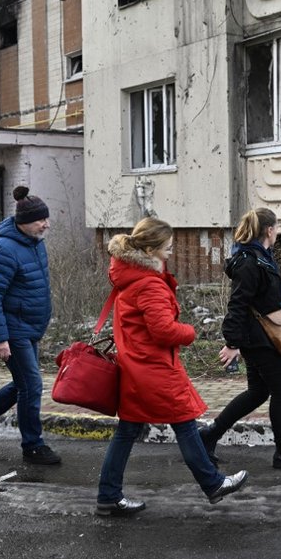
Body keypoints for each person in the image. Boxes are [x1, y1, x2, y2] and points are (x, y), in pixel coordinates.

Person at [96, 217, 248, 517]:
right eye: (167, 246)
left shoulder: (130, 275)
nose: (171, 250)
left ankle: (108, 496)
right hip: (154, 367)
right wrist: (189, 332)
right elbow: (163, 330)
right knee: (185, 423)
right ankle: (213, 483)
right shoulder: (148, 283)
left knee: (127, 431)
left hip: (136, 365)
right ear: (150, 249)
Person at [200, 208, 281, 469]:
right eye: (277, 228)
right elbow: (238, 303)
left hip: (260, 337)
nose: (278, 232)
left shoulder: (259, 256)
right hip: (261, 340)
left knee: (258, 392)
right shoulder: (250, 261)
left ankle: (209, 435)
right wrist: (232, 343)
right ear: (269, 230)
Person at [0, 186, 60, 465]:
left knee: (23, 384)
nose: (46, 224)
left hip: (29, 327)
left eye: (46, 218)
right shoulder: (3, 248)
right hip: (13, 330)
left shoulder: (35, 243)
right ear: (24, 222)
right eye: (41, 220)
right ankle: (33, 446)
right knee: (32, 385)